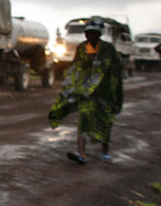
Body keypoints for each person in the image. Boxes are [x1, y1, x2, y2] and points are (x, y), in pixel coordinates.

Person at [48, 17, 124, 164]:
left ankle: (104, 152)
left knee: (104, 121)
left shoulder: (108, 48)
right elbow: (76, 66)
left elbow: (116, 68)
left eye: (93, 33)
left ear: (99, 34)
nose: (90, 36)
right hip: (86, 92)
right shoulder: (82, 47)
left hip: (104, 92)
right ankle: (81, 152)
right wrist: (72, 87)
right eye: (88, 33)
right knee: (84, 119)